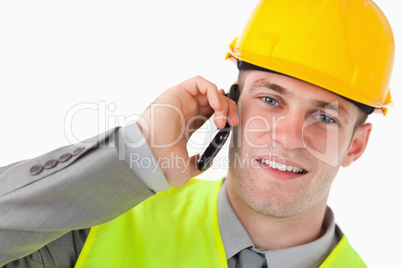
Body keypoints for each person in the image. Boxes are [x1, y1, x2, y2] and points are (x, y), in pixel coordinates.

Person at [0, 0, 395, 267]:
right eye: (271, 100)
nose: (289, 136)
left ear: (356, 144)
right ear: (230, 104)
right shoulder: (101, 217)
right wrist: (139, 153)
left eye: (325, 118)